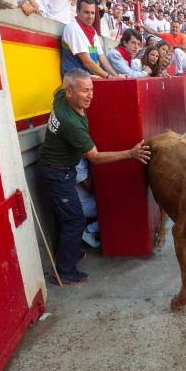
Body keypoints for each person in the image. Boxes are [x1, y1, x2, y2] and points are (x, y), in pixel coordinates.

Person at [38, 69, 151, 284]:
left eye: (91, 89)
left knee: (65, 216)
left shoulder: (61, 97)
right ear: (70, 91)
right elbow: (95, 157)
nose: (90, 95)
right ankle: (64, 271)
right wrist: (130, 153)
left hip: (59, 170)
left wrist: (93, 78)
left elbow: (57, 89)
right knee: (75, 220)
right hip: (56, 174)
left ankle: (67, 253)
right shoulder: (71, 123)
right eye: (85, 91)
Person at [60, 0, 118, 79]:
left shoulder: (93, 31)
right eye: (86, 12)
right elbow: (87, 62)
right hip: (75, 79)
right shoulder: (73, 28)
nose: (90, 16)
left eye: (92, 13)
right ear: (77, 11)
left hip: (89, 77)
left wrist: (115, 76)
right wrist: (109, 77)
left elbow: (102, 58)